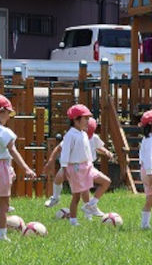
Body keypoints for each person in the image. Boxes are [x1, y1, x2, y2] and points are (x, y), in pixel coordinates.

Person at [44, 118, 112, 218]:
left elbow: (98, 147)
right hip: (72, 165)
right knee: (59, 178)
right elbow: (59, 148)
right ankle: (55, 197)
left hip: (86, 166)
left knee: (85, 191)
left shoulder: (92, 137)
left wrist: (106, 152)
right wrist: (51, 161)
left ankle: (88, 214)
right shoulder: (74, 135)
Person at [0, 95, 36, 241]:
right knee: (2, 204)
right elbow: (13, 152)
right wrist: (26, 168)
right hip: (1, 167)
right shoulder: (5, 133)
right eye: (9, 113)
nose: (9, 116)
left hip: (4, 166)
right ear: (1, 112)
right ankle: (2, 235)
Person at [59, 104, 98, 226]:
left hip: (86, 166)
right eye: (85, 118)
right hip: (76, 168)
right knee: (76, 197)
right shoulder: (70, 135)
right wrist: (64, 168)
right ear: (76, 120)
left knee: (105, 181)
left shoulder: (83, 134)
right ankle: (73, 220)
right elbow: (65, 152)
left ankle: (91, 206)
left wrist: (90, 164)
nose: (88, 121)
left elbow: (87, 151)